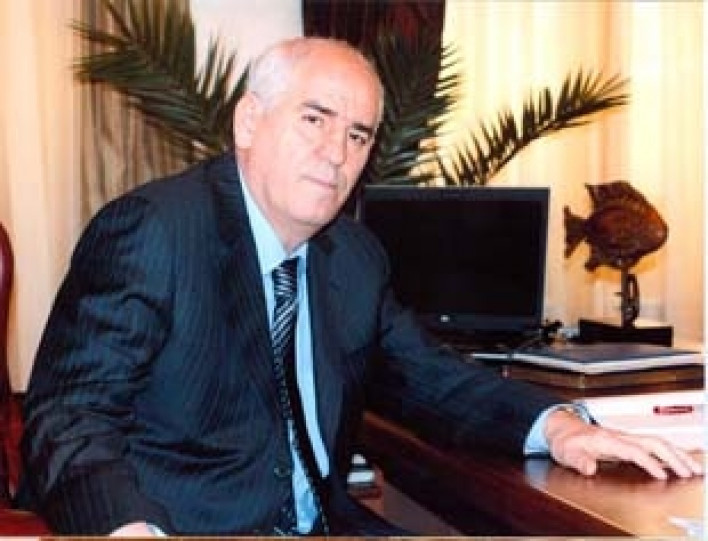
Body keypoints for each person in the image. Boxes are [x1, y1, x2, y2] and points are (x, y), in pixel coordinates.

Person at [18, 37, 702, 537]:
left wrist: (558, 427)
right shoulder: (156, 230)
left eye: (358, 135)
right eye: (314, 119)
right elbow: (70, 415)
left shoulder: (352, 256)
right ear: (250, 122)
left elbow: (432, 377)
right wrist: (127, 529)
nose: (336, 153)